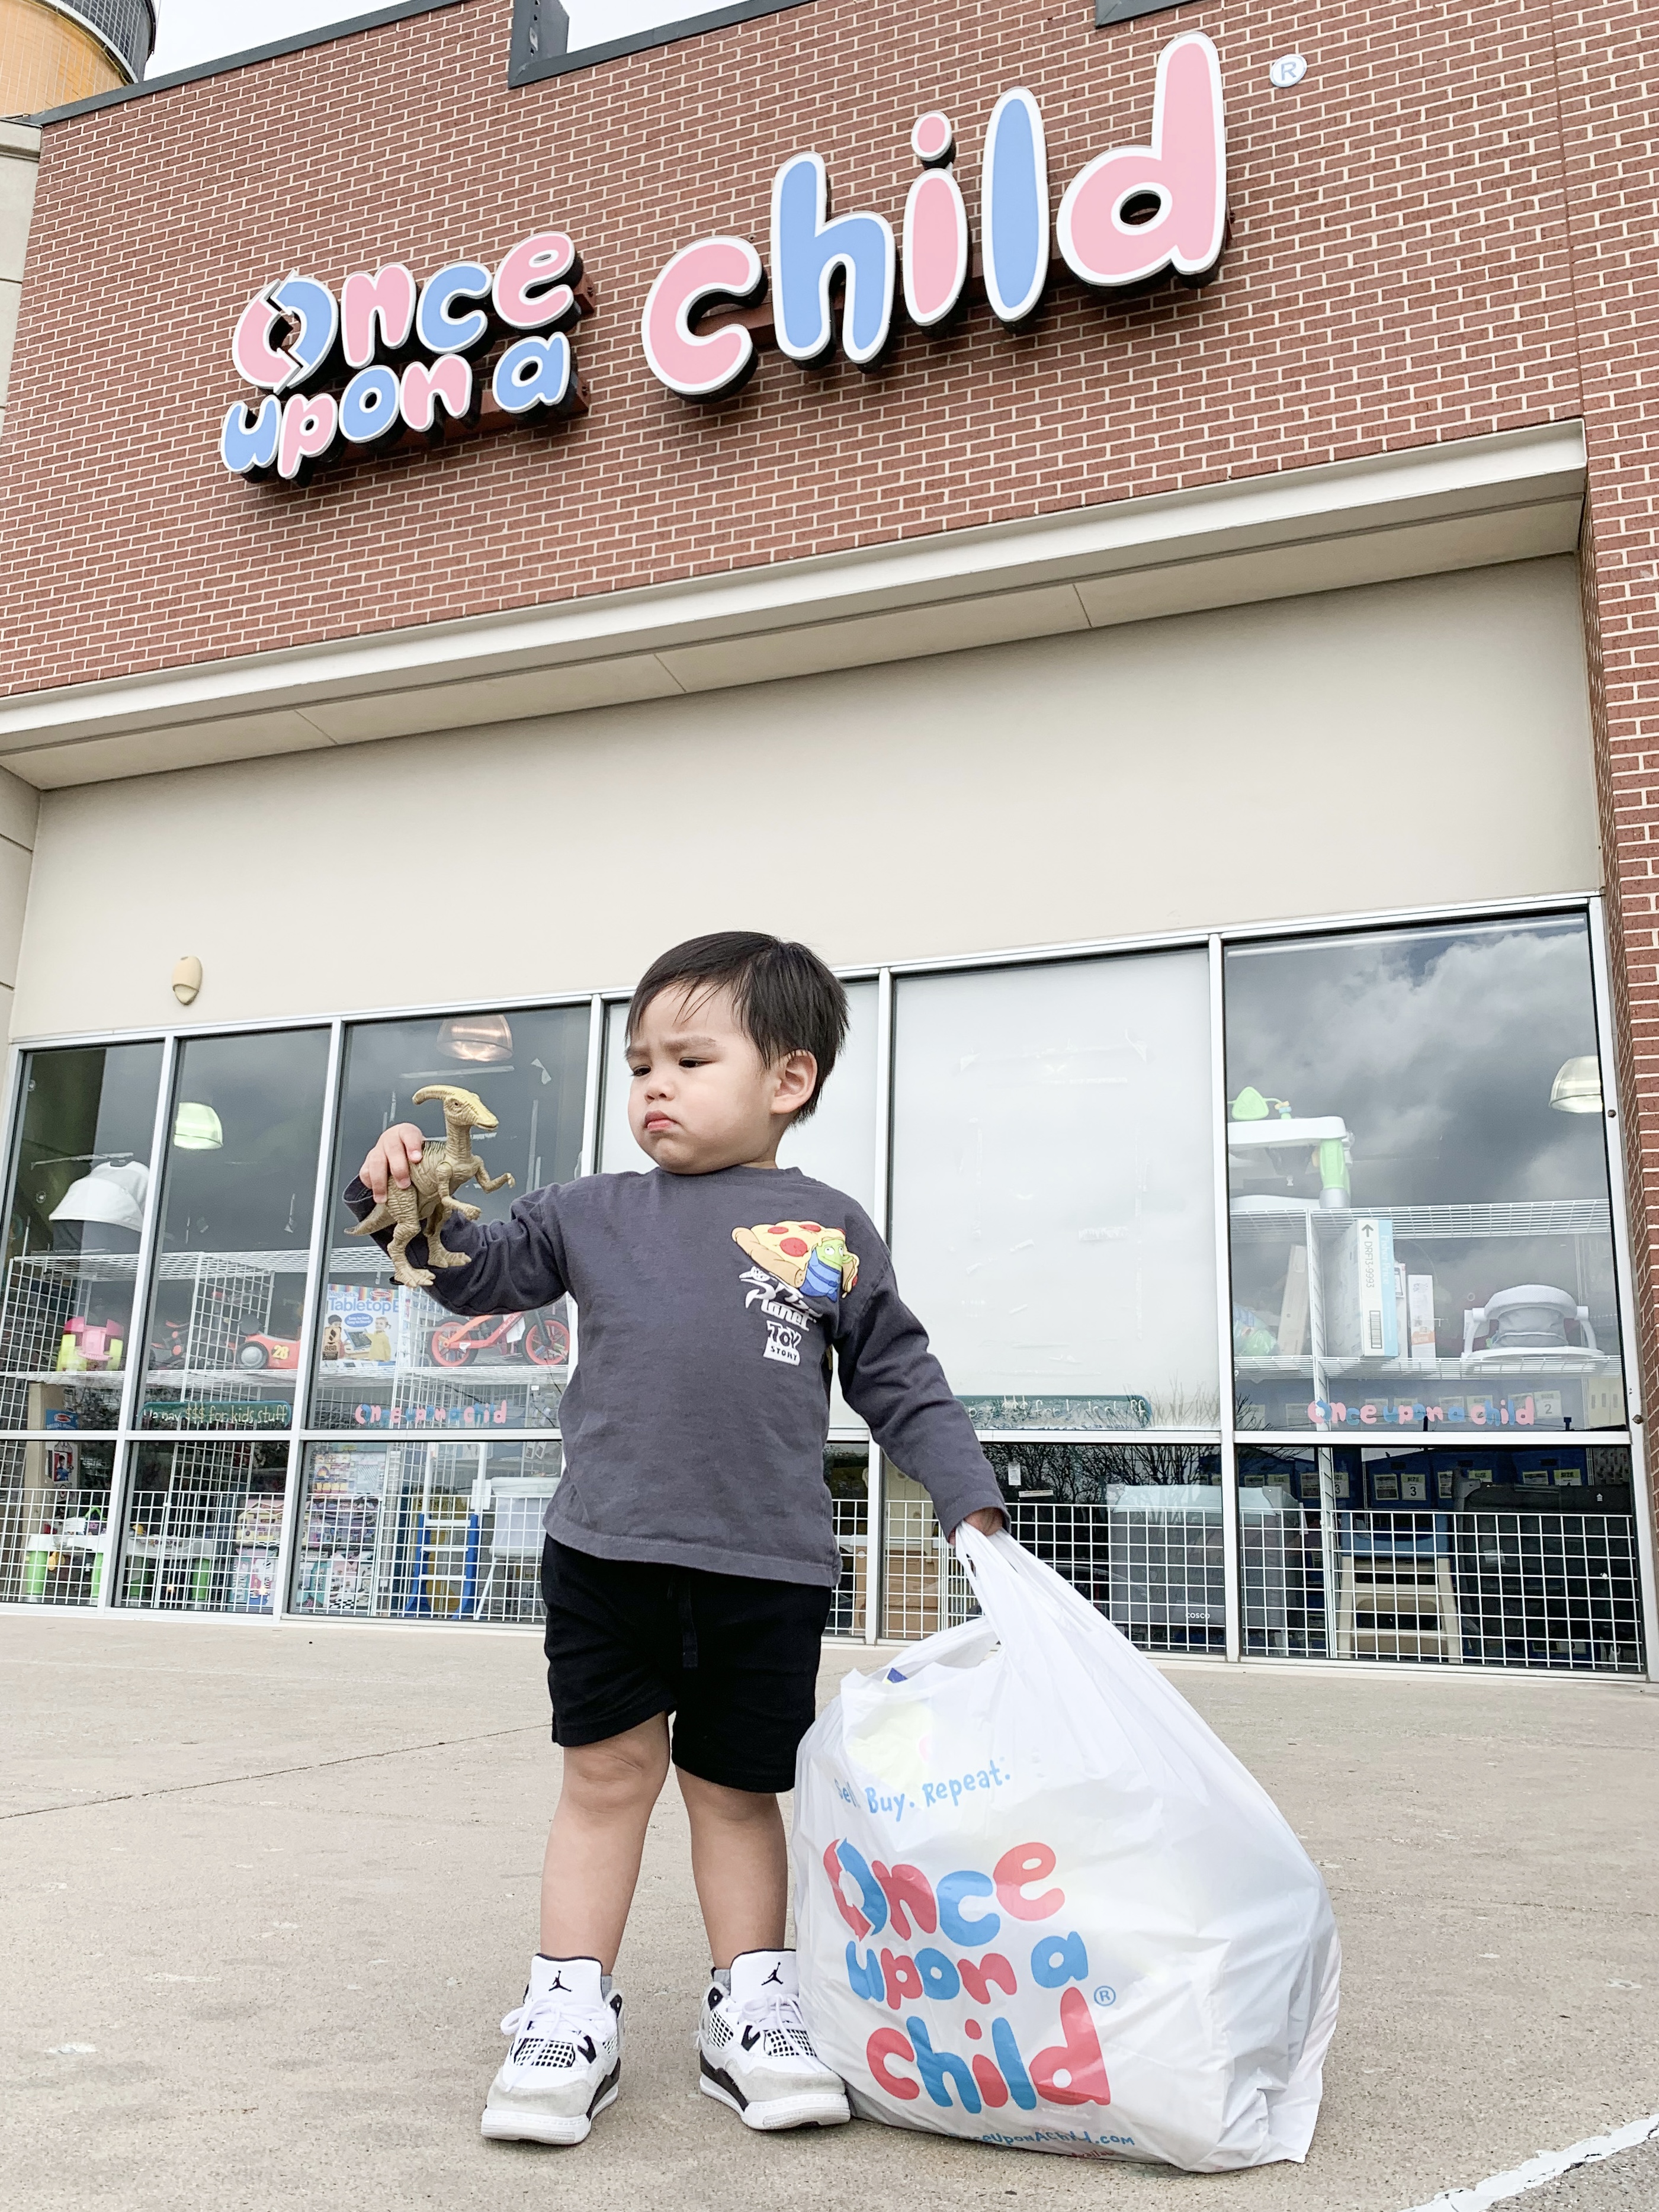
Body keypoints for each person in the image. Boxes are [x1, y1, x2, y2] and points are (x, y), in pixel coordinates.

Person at [349, 932, 1005, 2147]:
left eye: (690, 1057)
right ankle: (563, 2010)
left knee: (737, 1791)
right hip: (606, 1554)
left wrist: (970, 1498)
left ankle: (752, 2006)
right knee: (605, 1779)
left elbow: (899, 1375)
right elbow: (469, 1268)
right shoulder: (589, 1211)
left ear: (788, 1080)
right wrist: (394, 1197)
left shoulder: (826, 1225)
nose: (653, 1081)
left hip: (769, 1566)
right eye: (640, 1060)